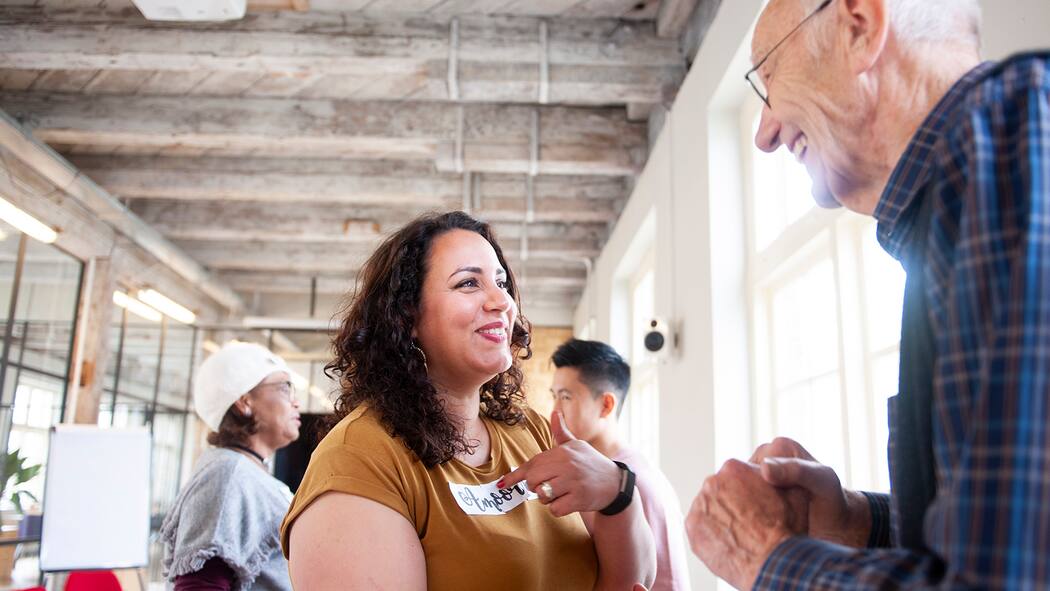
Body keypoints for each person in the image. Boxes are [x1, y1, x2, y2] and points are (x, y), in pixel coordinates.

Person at [686, 0, 1050, 589]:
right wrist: (858, 521)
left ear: (860, 26)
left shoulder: (1011, 144)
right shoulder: (964, 193)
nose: (764, 133)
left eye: (769, 77)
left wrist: (766, 558)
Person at [280, 211, 655, 590]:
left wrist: (618, 492)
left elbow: (633, 580)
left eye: (501, 282)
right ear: (406, 316)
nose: (502, 302)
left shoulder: (533, 431)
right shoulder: (361, 459)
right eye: (468, 283)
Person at [551, 338, 692, 591]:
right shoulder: (621, 470)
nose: (555, 411)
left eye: (566, 397)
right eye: (554, 396)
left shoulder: (630, 482)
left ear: (606, 405)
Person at [160, 341, 302, 590]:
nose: (296, 402)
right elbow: (201, 585)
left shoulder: (246, 471)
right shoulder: (226, 475)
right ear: (244, 402)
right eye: (284, 388)